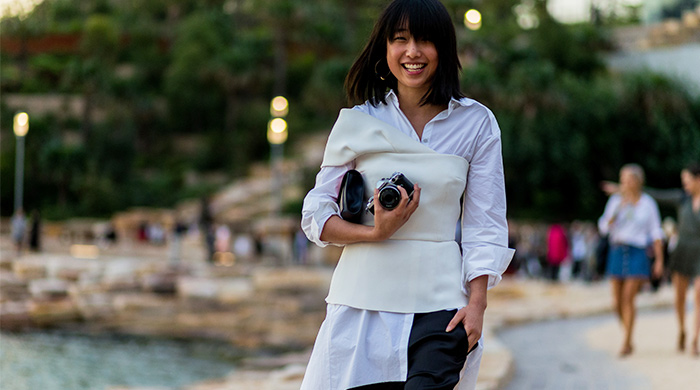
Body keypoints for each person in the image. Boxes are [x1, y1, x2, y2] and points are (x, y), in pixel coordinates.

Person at [300, 1, 514, 388]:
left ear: (444, 50)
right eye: (400, 40)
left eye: (425, 40)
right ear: (384, 49)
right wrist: (374, 233)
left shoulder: (476, 123)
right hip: (361, 304)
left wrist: (478, 306)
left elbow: (485, 224)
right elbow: (316, 215)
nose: (412, 51)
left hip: (441, 306)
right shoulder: (357, 122)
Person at [598, 164, 664, 357]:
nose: (624, 183)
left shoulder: (648, 204)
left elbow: (656, 232)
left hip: (638, 251)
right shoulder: (615, 202)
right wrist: (618, 209)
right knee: (616, 302)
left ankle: (626, 342)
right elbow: (603, 227)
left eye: (628, 179)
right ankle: (628, 334)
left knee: (628, 298)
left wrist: (659, 260)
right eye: (622, 179)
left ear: (637, 181)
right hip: (617, 250)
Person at [664, 163, 700, 356]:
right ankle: (682, 329)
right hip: (682, 251)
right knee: (679, 296)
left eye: (687, 179)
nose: (684, 183)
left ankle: (695, 339)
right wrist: (624, 190)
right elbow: (656, 194)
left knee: (699, 296)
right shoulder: (682, 199)